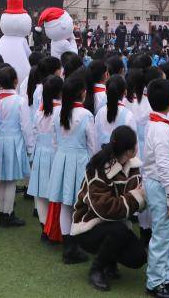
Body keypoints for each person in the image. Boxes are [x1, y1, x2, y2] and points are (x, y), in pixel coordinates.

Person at [71, 125, 148, 292]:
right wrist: (137, 196)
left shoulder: (132, 165)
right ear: (129, 151)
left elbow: (135, 199)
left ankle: (109, 262)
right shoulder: (99, 167)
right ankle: (96, 270)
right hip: (87, 228)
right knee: (118, 230)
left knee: (138, 256)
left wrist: (140, 196)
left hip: (113, 225)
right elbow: (104, 209)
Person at [48, 75, 100, 264]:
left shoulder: (58, 113)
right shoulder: (85, 115)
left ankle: (69, 246)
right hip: (79, 161)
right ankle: (75, 246)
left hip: (62, 158)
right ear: (82, 93)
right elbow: (93, 145)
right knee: (78, 204)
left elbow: (54, 142)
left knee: (65, 203)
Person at [142, 78, 169, 298]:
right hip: (161, 184)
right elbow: (164, 164)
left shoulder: (159, 124)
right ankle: (156, 282)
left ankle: (164, 279)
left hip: (160, 182)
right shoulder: (161, 128)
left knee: (166, 235)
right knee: (162, 235)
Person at [0, 64, 34, 227]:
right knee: (10, 181)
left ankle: (4, 211)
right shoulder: (20, 101)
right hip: (14, 142)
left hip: (1, 141)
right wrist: (31, 148)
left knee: (4, 180)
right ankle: (7, 214)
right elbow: (26, 127)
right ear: (15, 81)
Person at [28, 75, 63, 237]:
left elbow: (34, 133)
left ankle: (44, 226)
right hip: (55, 153)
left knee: (40, 190)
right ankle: (53, 226)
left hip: (40, 152)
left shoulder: (39, 111)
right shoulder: (61, 111)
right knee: (54, 191)